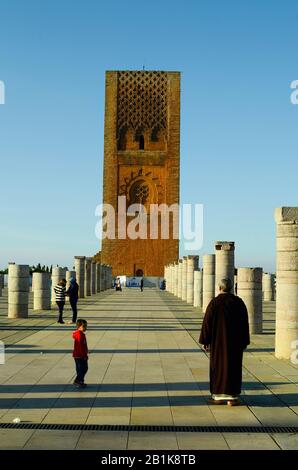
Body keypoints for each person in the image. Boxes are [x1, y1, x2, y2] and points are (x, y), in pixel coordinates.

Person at [199, 278, 250, 406]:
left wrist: (205, 340)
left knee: (218, 367)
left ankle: (218, 397)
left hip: (218, 343)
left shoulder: (214, 303)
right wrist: (245, 341)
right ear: (231, 288)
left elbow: (207, 323)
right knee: (233, 367)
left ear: (219, 288)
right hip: (235, 344)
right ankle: (232, 397)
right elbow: (244, 323)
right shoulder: (239, 302)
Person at [72, 319, 88, 387]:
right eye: (84, 326)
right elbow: (80, 347)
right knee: (83, 368)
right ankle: (77, 381)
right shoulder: (79, 335)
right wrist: (84, 356)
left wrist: (86, 351)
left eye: (86, 326)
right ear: (79, 327)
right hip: (79, 355)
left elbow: (84, 345)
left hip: (79, 355)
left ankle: (80, 381)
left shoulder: (81, 334)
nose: (85, 328)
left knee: (81, 369)